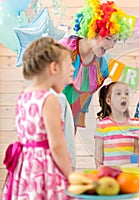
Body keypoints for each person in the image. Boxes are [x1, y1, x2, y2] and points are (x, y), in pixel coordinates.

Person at [2, 37, 74, 199]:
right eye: (69, 66)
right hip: (43, 169)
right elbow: (57, 146)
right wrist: (71, 176)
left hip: (25, 168)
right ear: (54, 68)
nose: (72, 71)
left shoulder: (24, 96)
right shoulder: (49, 99)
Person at [61, 0, 130, 131]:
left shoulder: (101, 67)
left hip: (70, 117)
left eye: (115, 40)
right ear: (92, 30)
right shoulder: (63, 50)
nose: (112, 46)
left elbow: (83, 97)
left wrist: (78, 117)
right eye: (108, 38)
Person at [94, 81, 139, 168]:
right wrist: (99, 170)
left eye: (126, 94)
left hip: (128, 172)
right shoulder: (102, 125)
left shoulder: (133, 124)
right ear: (108, 101)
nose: (124, 96)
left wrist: (136, 167)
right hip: (109, 172)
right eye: (118, 93)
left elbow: (136, 149)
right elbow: (98, 151)